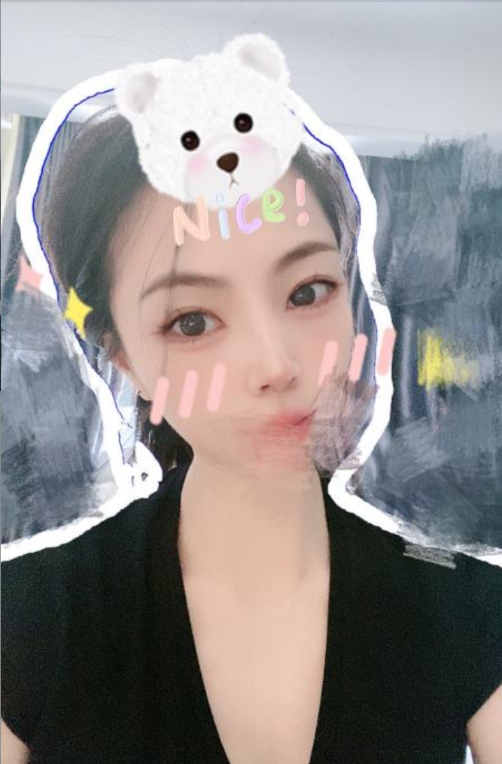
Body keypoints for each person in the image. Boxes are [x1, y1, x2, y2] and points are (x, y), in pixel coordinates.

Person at [2, 106, 502, 764]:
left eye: (308, 292)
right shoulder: (29, 616)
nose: (276, 364)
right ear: (124, 359)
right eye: (191, 322)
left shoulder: (465, 604)